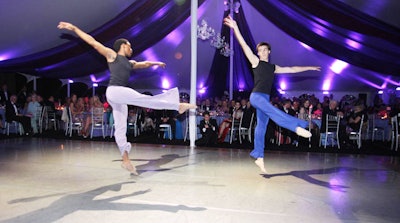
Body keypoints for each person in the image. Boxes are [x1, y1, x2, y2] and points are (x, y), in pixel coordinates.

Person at [57, 22, 196, 175]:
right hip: (115, 91)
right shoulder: (112, 55)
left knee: (121, 128)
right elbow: (92, 42)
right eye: (129, 46)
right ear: (123, 45)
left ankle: (125, 159)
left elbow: (144, 64)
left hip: (119, 98)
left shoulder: (130, 63)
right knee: (145, 100)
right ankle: (178, 106)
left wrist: (156, 63)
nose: (131, 49)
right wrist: (75, 28)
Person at [224, 15, 320, 173]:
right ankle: (298, 126)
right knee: (275, 113)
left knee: (261, 126)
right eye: (259, 50)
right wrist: (235, 27)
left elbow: (292, 69)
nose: (261, 52)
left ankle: (259, 156)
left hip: (265, 98)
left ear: (269, 51)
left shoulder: (273, 67)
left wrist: (309, 67)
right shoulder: (255, 62)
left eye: (264, 50)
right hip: (256, 97)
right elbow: (244, 45)